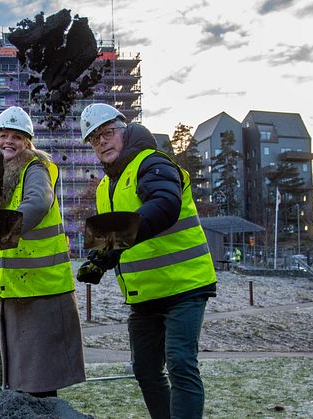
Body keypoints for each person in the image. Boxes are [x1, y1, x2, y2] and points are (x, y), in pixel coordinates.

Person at [77, 103, 217, 418]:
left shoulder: (152, 163)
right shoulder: (105, 187)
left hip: (185, 285)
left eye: (107, 133)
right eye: (94, 138)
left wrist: (115, 242)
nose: (101, 142)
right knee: (145, 370)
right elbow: (118, 239)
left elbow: (165, 205)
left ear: (124, 132)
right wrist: (100, 259)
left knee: (181, 363)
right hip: (145, 296)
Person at [0, 106, 86, 398]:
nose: (9, 141)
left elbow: (36, 204)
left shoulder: (36, 168)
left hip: (42, 289)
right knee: (22, 382)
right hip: (15, 290)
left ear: (27, 143)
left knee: (41, 383)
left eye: (17, 137)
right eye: (3, 135)